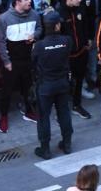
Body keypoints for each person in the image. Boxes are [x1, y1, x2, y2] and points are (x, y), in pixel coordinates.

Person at [0, 0, 41, 133]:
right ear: (17, 2)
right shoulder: (4, 19)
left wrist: (34, 35)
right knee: (7, 91)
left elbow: (40, 28)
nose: (30, 2)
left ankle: (29, 111)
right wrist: (6, 61)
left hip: (28, 59)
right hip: (12, 61)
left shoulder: (34, 14)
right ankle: (3, 116)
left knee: (28, 87)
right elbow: (0, 41)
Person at [32, 10, 74, 158]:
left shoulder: (39, 46)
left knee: (43, 117)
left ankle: (45, 148)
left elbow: (33, 64)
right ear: (57, 26)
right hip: (62, 83)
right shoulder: (67, 41)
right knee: (63, 112)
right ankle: (67, 143)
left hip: (45, 86)